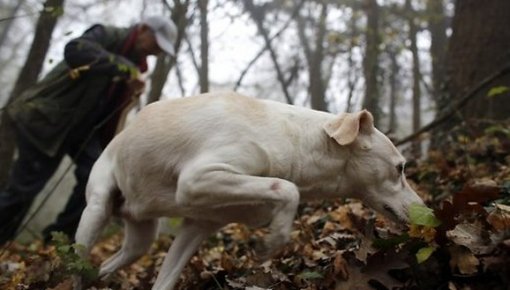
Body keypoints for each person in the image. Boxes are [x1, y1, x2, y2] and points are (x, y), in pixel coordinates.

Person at [0, 16, 177, 245]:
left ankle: (55, 243)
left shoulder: (137, 66)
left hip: (82, 131)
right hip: (48, 123)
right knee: (23, 191)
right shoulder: (107, 34)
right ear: (143, 29)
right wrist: (123, 68)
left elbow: (108, 109)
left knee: (97, 180)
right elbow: (75, 50)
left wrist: (130, 89)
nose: (156, 52)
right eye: (157, 43)